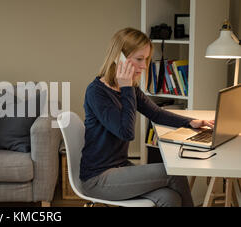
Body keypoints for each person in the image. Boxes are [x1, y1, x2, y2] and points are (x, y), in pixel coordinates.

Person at [80, 27, 214, 207]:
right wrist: (126, 87)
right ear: (119, 59)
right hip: (98, 179)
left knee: (170, 198)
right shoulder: (97, 92)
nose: (144, 66)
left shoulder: (130, 89)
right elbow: (126, 132)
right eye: (139, 59)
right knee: (173, 171)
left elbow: (156, 114)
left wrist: (190, 122)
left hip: (121, 168)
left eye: (146, 59)